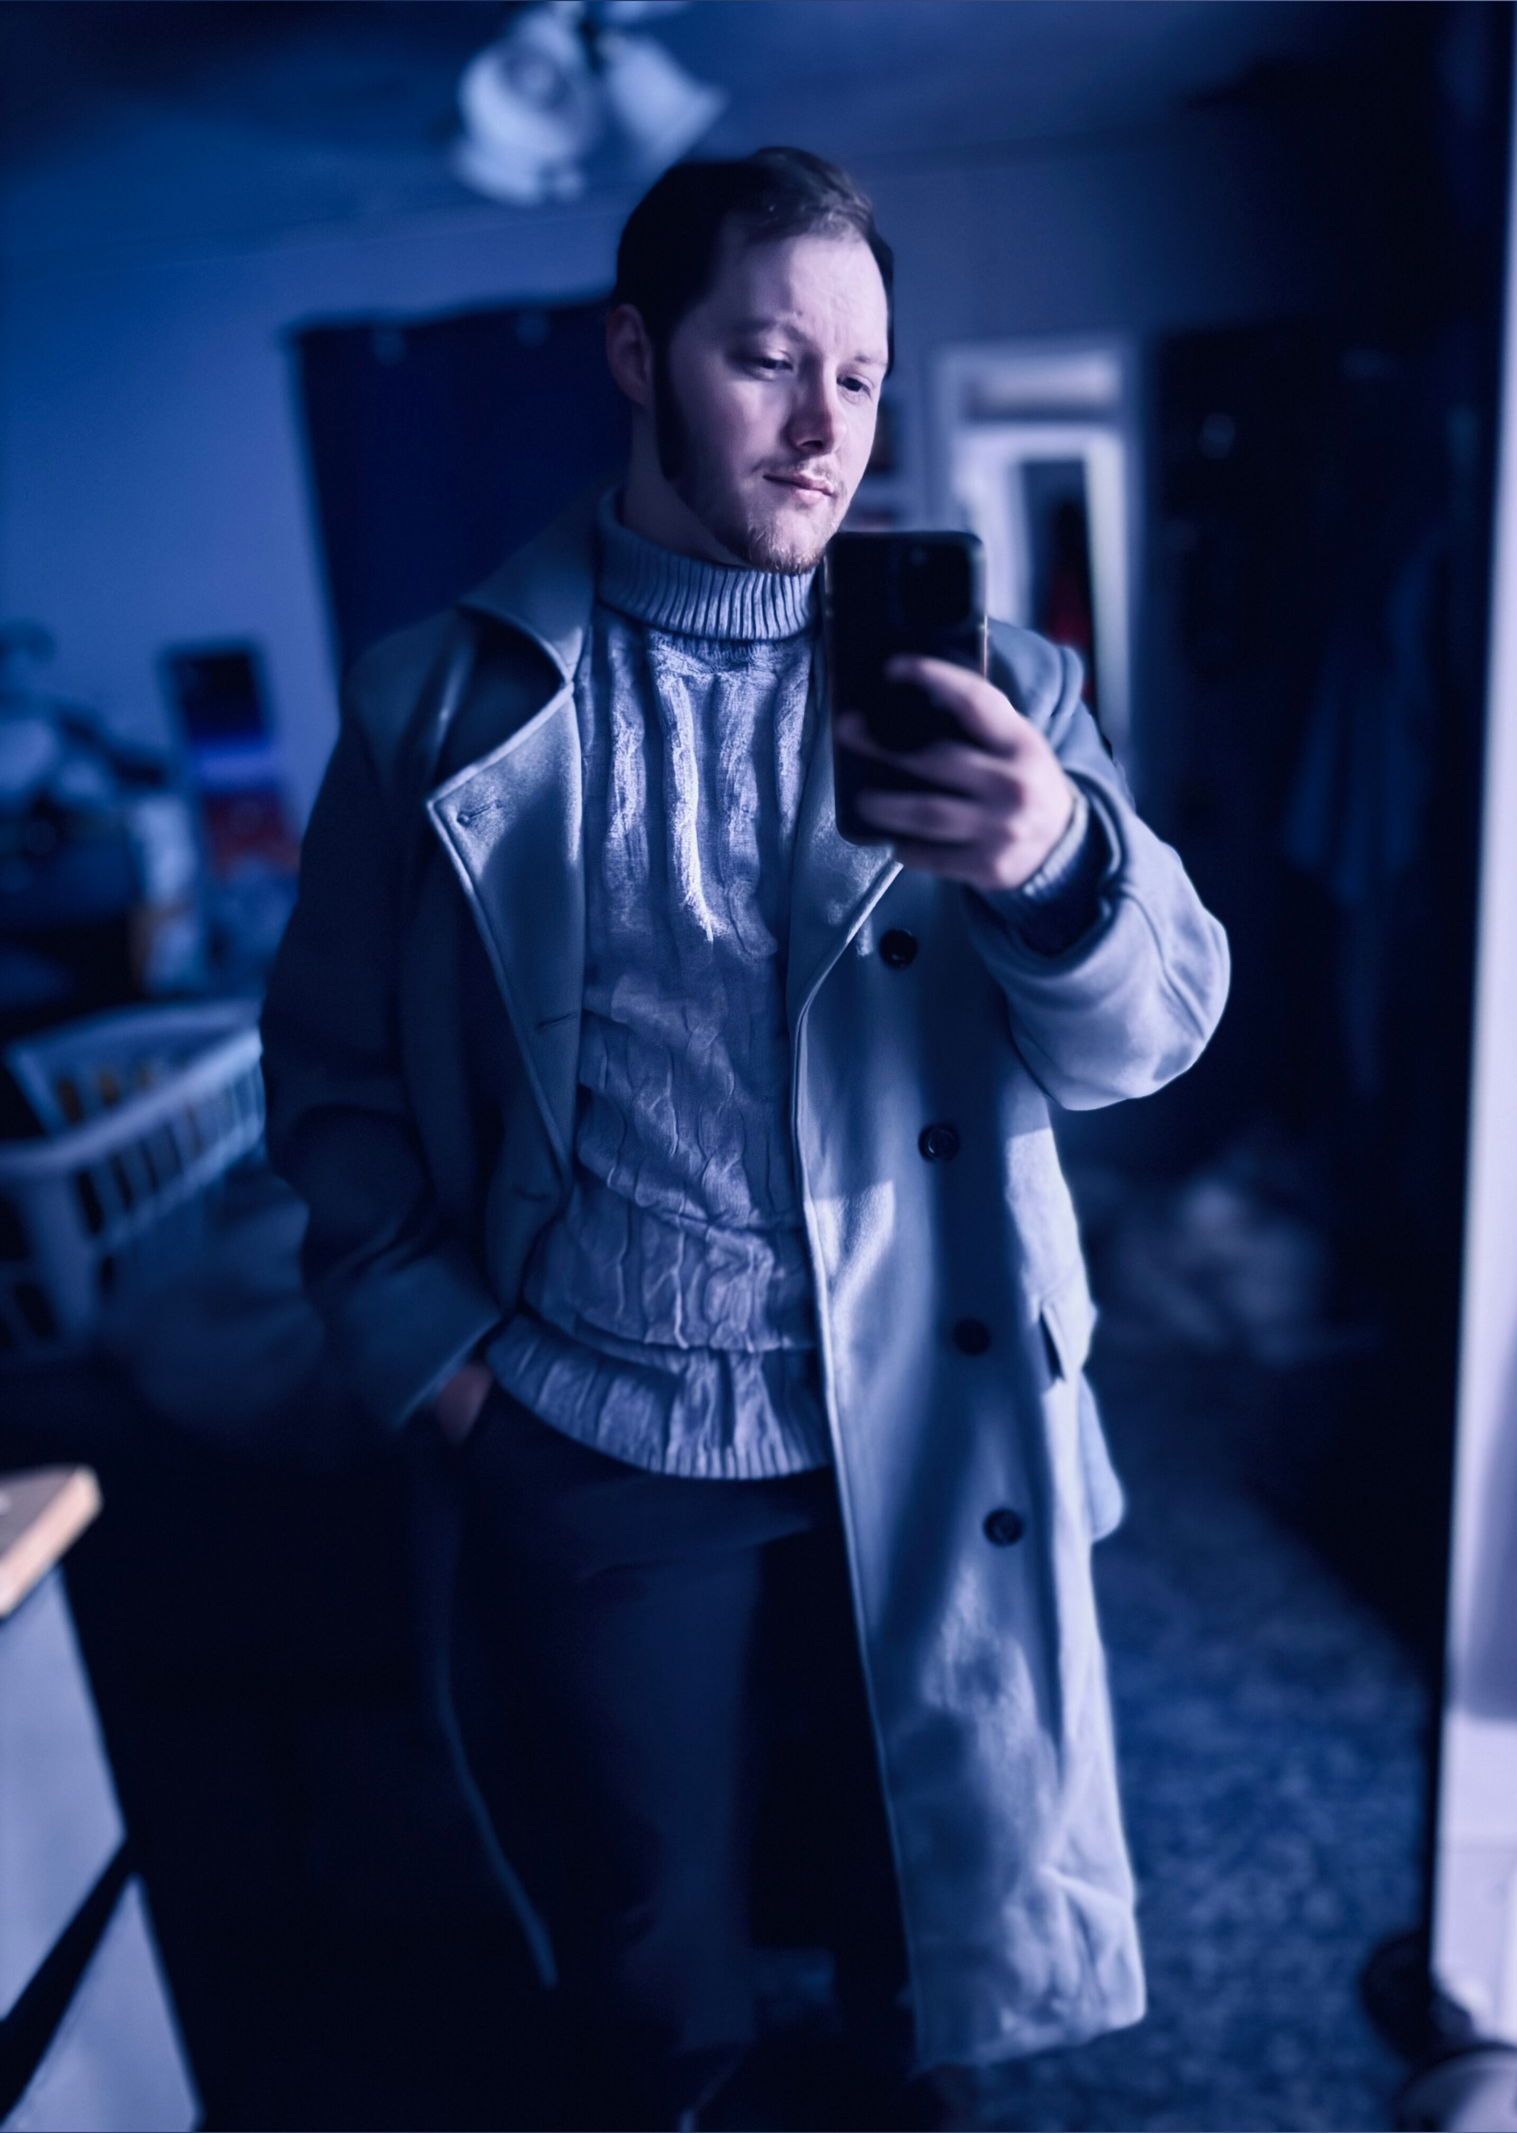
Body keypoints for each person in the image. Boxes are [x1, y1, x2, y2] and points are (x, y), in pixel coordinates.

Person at [258, 146, 1230, 2131]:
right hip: (592, 1425)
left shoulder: (1002, 686)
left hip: (931, 1413)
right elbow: (332, 1073)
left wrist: (1052, 859)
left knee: (924, 1898)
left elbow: (1152, 1035)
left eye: (858, 379)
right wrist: (451, 1371)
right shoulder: (431, 703)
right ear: (638, 355)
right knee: (643, 1939)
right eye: (766, 360)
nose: (821, 430)